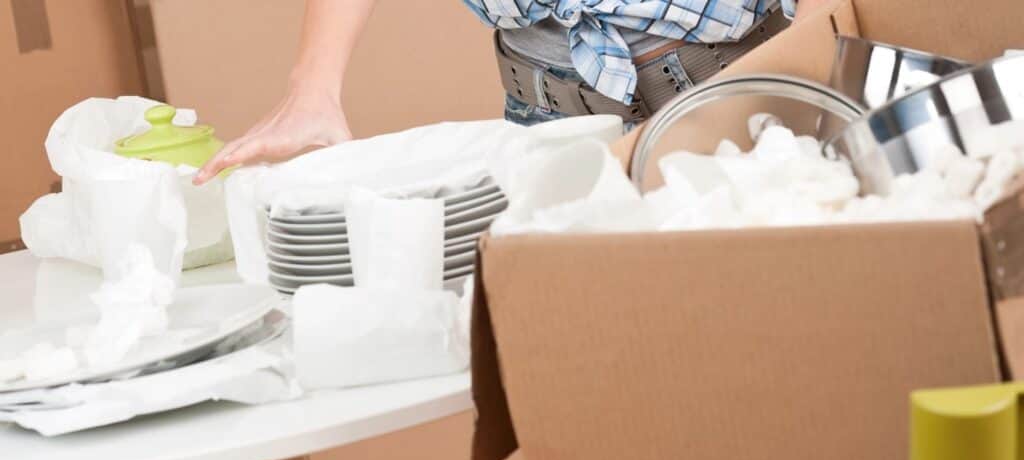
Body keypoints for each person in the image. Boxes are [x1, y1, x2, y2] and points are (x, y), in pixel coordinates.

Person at [194, 0, 827, 184]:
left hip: (732, 86)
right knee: (600, 374)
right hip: (546, 115)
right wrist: (314, 91)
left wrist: (814, 73)